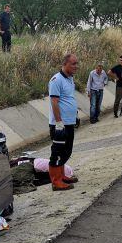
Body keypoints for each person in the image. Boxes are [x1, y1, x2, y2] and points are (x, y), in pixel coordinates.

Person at [48, 53, 80, 191]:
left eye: (76, 63)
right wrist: (59, 122)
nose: (76, 66)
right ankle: (56, 181)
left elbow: (69, 99)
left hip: (69, 122)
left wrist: (75, 116)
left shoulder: (70, 79)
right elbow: (54, 102)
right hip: (60, 124)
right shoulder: (56, 80)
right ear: (65, 64)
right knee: (57, 152)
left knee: (66, 151)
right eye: (73, 64)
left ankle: (62, 176)